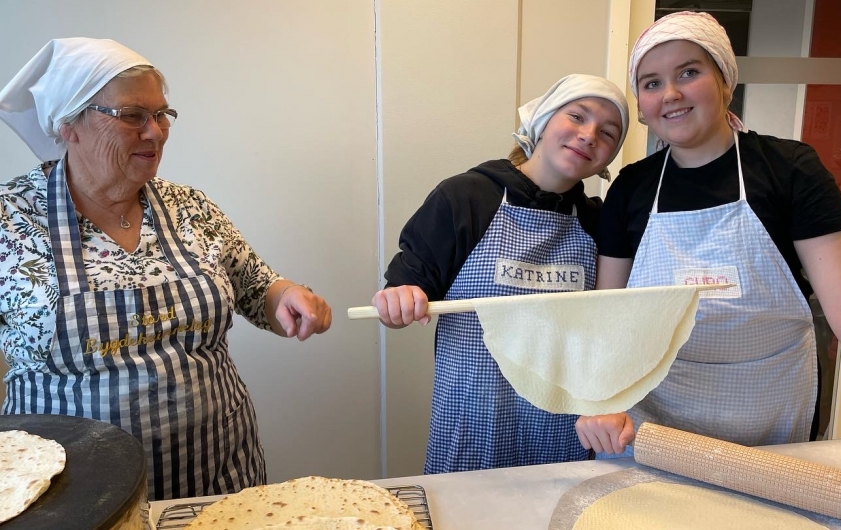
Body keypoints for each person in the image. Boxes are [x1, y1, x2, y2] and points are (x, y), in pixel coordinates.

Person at [574, 12, 841, 528]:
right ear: (642, 107)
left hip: (771, 425)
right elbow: (609, 315)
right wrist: (601, 400)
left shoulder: (790, 170)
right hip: (654, 427)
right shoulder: (631, 188)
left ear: (725, 80)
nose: (671, 94)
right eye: (652, 83)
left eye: (688, 73)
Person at [0, 38, 332, 501]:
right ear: (68, 125)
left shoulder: (190, 207)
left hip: (216, 477)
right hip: (70, 494)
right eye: (133, 115)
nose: (155, 132)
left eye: (162, 115)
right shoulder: (10, 220)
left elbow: (259, 288)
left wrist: (290, 296)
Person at [372, 74, 629, 474]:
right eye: (577, 116)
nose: (589, 135)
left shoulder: (598, 222)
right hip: (473, 421)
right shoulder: (466, 198)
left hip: (563, 426)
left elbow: (607, 324)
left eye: (608, 132)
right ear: (542, 122)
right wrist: (399, 298)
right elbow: (408, 284)